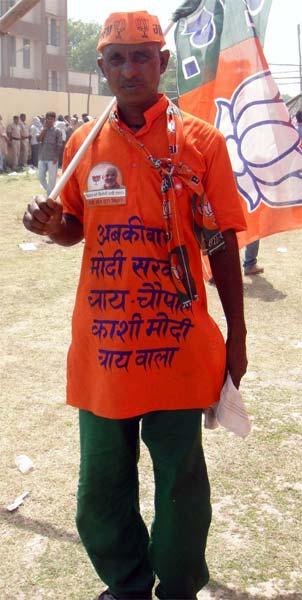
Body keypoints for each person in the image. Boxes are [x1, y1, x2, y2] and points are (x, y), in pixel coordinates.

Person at [23, 11, 247, 600]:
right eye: (116, 58)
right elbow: (75, 228)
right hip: (103, 352)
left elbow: (222, 245)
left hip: (177, 347)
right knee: (100, 485)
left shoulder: (203, 143)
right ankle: (125, 584)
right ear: (101, 68)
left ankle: (176, 588)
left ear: (163, 63)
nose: (130, 68)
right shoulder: (83, 144)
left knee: (180, 484)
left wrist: (238, 340)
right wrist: (50, 225)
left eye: (142, 55)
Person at [37, 111, 62, 197]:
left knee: (52, 179)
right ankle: (50, 192)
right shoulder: (42, 129)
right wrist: (44, 129)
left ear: (54, 120)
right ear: (46, 119)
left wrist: (56, 157)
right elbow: (39, 140)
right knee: (40, 177)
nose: (49, 120)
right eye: (48, 118)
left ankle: (50, 197)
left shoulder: (57, 131)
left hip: (52, 158)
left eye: (51, 119)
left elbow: (59, 145)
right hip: (42, 157)